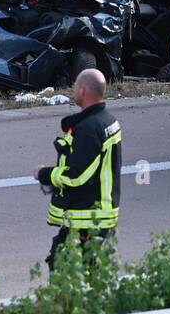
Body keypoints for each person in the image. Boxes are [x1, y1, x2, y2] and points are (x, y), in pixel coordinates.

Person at [34, 68, 122, 270]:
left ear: (83, 90)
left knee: (67, 275)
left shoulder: (89, 128)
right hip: (99, 218)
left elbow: (78, 176)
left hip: (86, 220)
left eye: (75, 86)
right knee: (93, 278)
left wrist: (44, 174)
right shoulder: (108, 121)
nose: (73, 90)